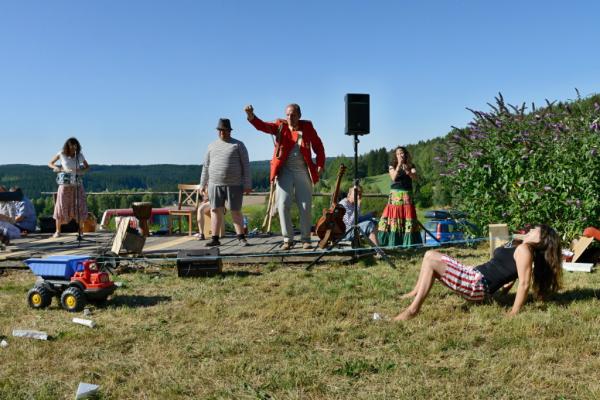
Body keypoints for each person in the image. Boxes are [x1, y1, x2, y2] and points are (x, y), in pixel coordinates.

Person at [394, 224, 562, 321]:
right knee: (429, 256)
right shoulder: (520, 246)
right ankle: (415, 292)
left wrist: (514, 312)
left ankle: (413, 310)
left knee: (432, 257)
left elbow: (524, 283)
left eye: (535, 230)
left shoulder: (525, 250)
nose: (531, 229)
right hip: (474, 275)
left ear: (541, 239)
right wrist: (504, 292)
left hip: (477, 285)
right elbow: (512, 273)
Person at [245, 103, 325, 250]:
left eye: (293, 115)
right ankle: (288, 239)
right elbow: (263, 126)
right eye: (287, 115)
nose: (289, 118)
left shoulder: (307, 127)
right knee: (282, 205)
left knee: (305, 206)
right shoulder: (280, 126)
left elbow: (318, 146)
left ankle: (306, 239)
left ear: (299, 115)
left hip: (303, 170)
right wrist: (251, 116)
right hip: (285, 171)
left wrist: (320, 165)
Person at [199, 118, 252, 247]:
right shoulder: (211, 146)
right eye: (220, 130)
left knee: (236, 210)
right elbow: (206, 166)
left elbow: (246, 165)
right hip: (214, 184)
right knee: (215, 210)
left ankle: (241, 238)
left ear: (229, 130)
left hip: (235, 184)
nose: (222, 132)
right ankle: (215, 238)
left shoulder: (238, 145)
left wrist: (247, 184)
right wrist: (202, 184)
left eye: (224, 130)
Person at [377, 146, 422, 247]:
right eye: (397, 154)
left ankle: (408, 244)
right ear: (395, 156)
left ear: (405, 154)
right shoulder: (392, 165)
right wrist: (399, 165)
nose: (400, 155)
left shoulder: (411, 165)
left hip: (407, 196)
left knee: (407, 219)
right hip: (395, 196)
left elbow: (415, 177)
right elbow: (393, 177)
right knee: (393, 218)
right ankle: (391, 243)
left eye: (401, 153)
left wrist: (408, 172)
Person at [47, 137, 89, 238]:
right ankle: (58, 231)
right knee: (61, 205)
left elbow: (87, 167)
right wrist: (57, 168)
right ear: (67, 146)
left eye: (75, 147)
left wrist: (81, 171)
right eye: (71, 147)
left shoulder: (79, 155)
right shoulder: (61, 154)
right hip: (65, 184)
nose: (74, 149)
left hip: (77, 184)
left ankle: (81, 231)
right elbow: (50, 163)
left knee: (80, 206)